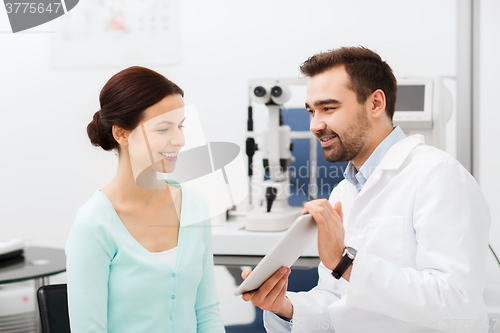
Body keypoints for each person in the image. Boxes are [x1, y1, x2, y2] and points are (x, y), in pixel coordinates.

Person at [240, 46, 491, 333]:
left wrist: (345, 263)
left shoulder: (438, 176)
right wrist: (284, 308)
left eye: (328, 108)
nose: (315, 125)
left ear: (375, 104)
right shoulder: (343, 193)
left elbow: (456, 305)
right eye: (311, 111)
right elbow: (338, 304)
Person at [65, 66, 225, 333]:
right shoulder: (94, 224)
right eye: (163, 129)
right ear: (122, 134)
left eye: (180, 126)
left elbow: (207, 312)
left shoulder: (195, 206)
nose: (180, 140)